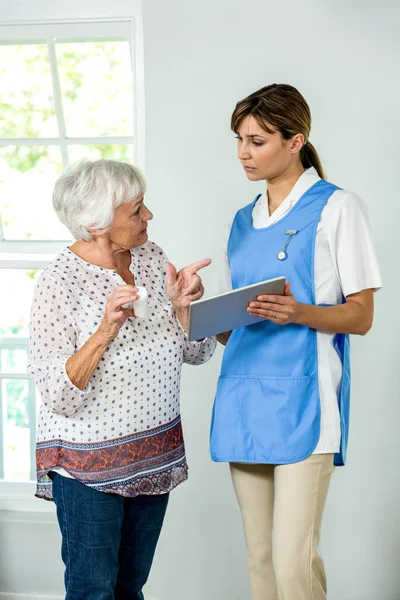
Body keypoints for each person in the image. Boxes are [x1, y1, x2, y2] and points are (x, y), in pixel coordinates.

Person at [211, 84, 382, 600]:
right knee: (261, 563)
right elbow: (231, 332)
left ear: (295, 141)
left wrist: (300, 312)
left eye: (257, 141)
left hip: (305, 402)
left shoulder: (337, 208)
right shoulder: (243, 221)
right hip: (244, 399)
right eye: (239, 139)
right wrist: (190, 310)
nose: (244, 152)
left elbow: (362, 316)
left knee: (292, 567)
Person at [28, 159, 216, 600]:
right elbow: (58, 393)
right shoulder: (57, 282)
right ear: (96, 224)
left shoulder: (152, 257)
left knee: (130, 587)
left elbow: (195, 353)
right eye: (136, 210)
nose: (148, 216)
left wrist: (186, 310)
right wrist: (106, 329)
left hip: (154, 458)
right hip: (87, 469)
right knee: (93, 590)